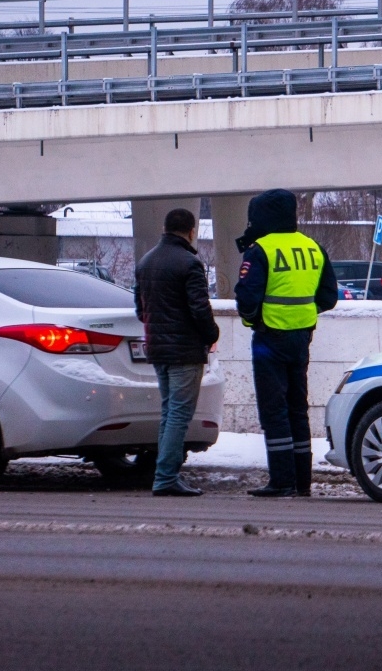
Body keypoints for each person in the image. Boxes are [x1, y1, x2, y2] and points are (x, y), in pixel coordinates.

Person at [234, 189, 337, 497]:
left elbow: (246, 300)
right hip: (302, 338)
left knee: (274, 409)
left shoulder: (260, 249)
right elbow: (328, 297)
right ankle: (302, 482)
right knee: (297, 409)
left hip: (270, 339)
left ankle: (281, 481)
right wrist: (302, 315)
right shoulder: (312, 247)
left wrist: (257, 320)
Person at [134, 207, 220, 497]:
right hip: (184, 351)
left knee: (169, 411)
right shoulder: (190, 264)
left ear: (165, 227)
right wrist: (212, 335)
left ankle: (162, 473)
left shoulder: (145, 262)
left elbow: (139, 310)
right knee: (179, 414)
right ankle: (166, 476)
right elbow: (199, 308)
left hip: (157, 349)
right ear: (191, 231)